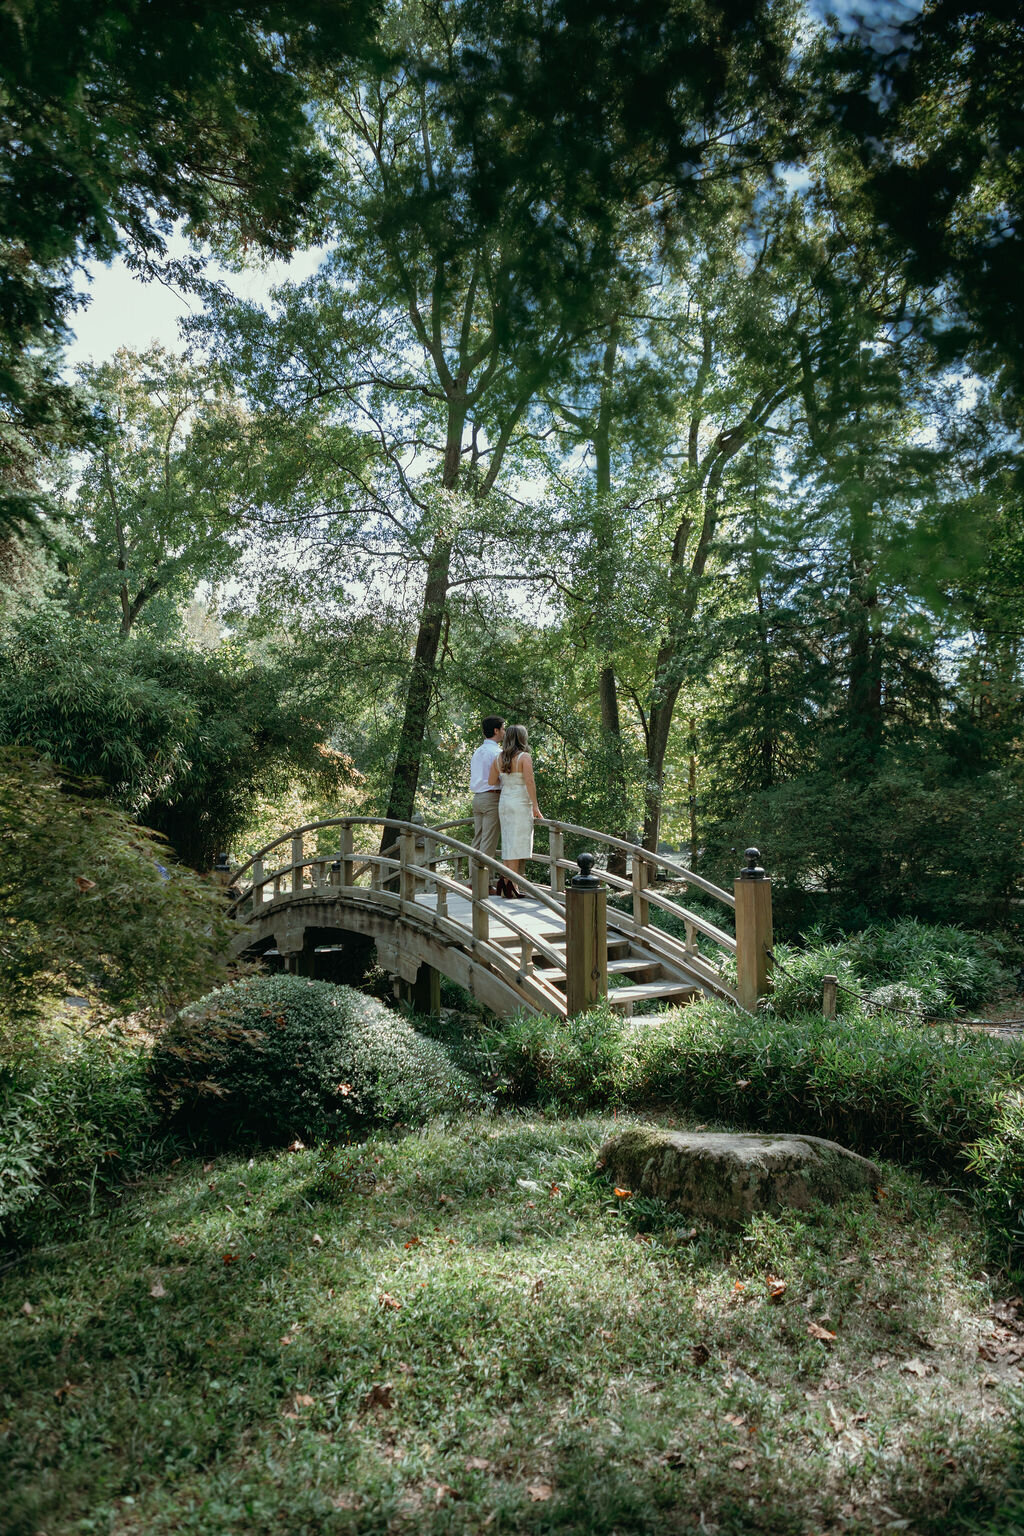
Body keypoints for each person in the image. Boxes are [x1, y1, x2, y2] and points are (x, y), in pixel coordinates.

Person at [488, 723, 543, 893]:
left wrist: (507, 779)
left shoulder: (499, 758)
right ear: (522, 738)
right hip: (519, 802)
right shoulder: (524, 757)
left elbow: (491, 781)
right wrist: (535, 806)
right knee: (517, 844)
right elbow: (530, 782)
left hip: (505, 801)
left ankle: (505, 881)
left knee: (508, 841)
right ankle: (512, 883)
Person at [469, 716, 505, 881]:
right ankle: (483, 882)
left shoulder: (478, 751)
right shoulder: (497, 752)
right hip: (491, 797)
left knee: (478, 839)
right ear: (496, 730)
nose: (504, 732)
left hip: (477, 798)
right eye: (503, 728)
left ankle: (473, 878)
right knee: (488, 842)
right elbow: (501, 778)